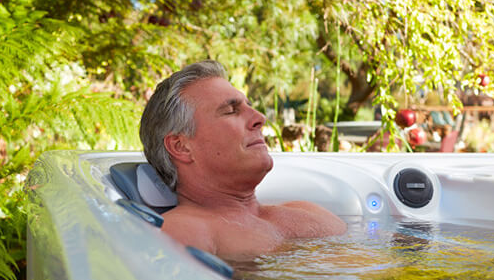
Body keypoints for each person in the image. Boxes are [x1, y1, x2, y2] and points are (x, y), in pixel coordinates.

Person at [140, 60, 347, 259]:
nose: (260, 118)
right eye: (231, 111)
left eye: (250, 106)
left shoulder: (305, 210)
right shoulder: (182, 232)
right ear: (181, 147)